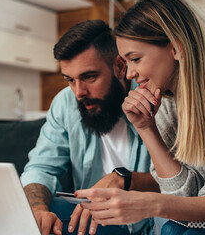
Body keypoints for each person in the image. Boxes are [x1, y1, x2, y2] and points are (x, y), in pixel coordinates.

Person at [75, 0, 205, 234]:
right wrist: (145, 128)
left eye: (135, 59)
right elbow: (185, 198)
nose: (129, 73)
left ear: (175, 48)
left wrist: (149, 204)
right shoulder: (162, 101)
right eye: (126, 62)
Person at [21, 20, 160, 235]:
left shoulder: (157, 100)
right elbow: (41, 168)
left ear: (120, 67)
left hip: (150, 223)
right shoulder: (65, 103)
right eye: (70, 80)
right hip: (93, 224)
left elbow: (184, 180)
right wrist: (38, 211)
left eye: (89, 77)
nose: (79, 92)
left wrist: (123, 180)